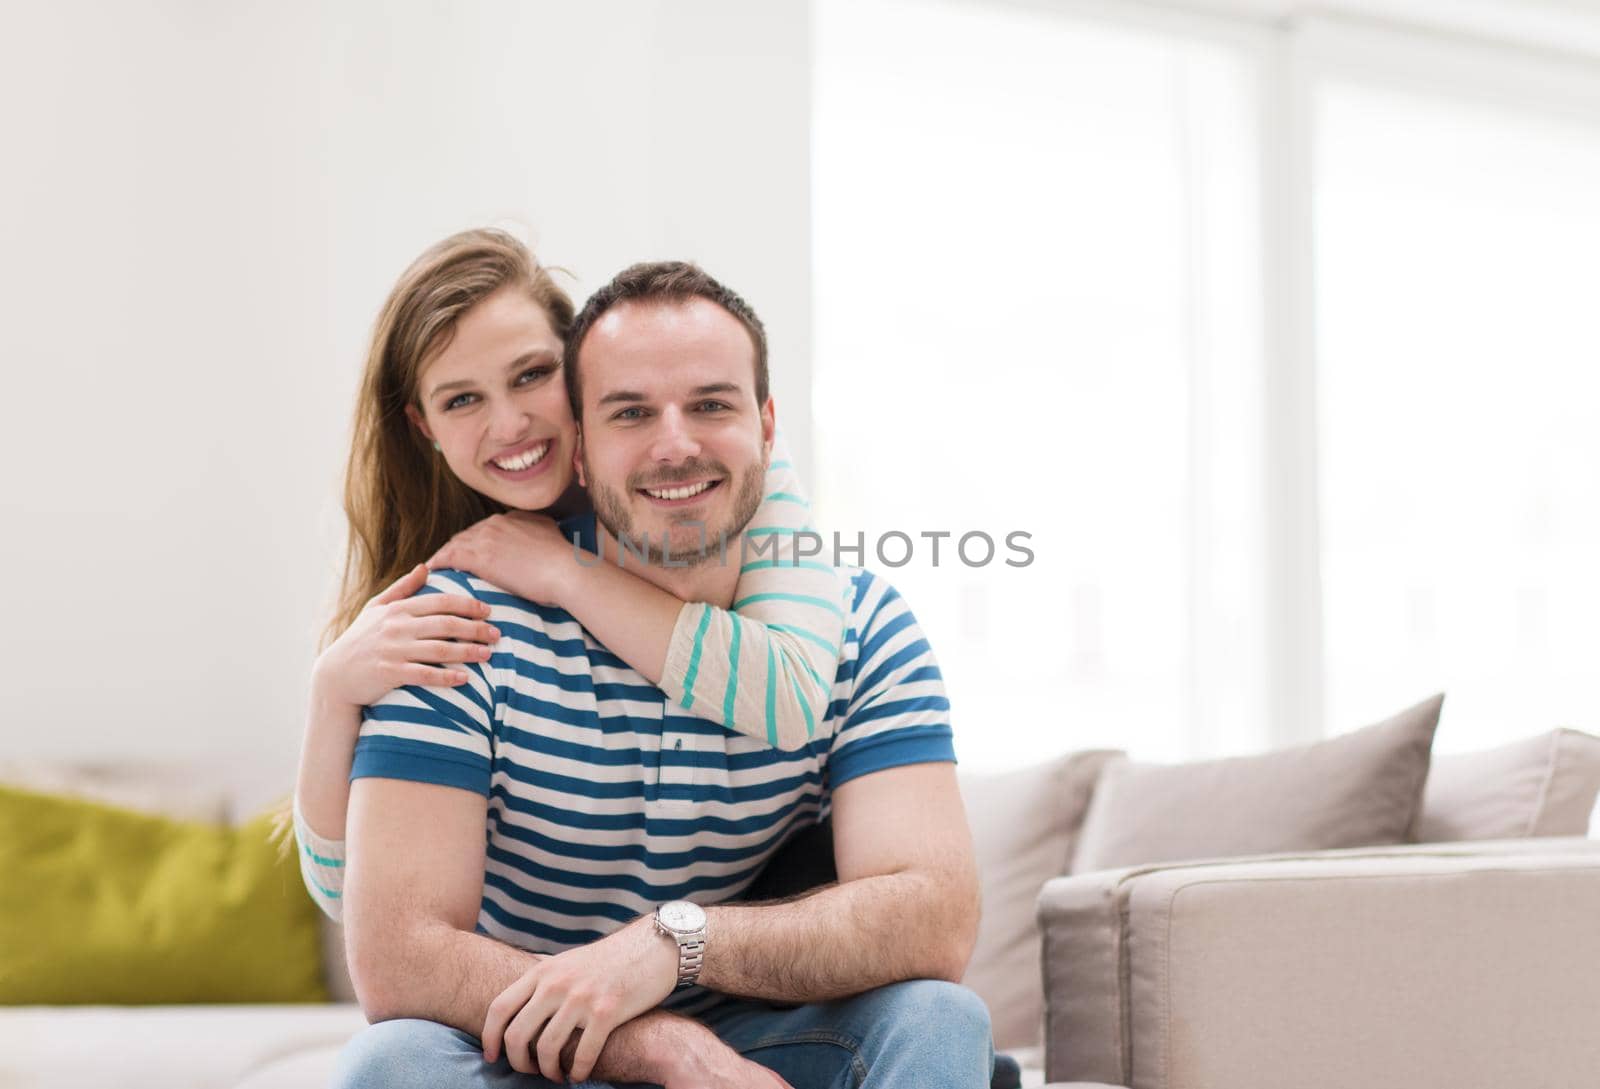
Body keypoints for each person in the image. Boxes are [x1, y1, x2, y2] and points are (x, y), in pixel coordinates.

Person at [333, 261, 991, 1088]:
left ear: (767, 422)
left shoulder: (856, 625)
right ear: (580, 441)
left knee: (940, 1017)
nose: (675, 444)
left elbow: (933, 916)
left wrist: (676, 942)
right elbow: (398, 956)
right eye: (631, 412)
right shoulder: (456, 626)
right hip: (536, 1042)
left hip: (762, 1033)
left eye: (712, 404)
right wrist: (662, 1047)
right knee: (392, 1062)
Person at [291, 230, 846, 918]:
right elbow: (350, 899)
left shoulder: (725, 466)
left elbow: (787, 696)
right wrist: (330, 694)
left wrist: (566, 571)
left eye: (531, 375)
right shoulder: (455, 583)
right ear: (423, 424)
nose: (511, 423)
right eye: (462, 400)